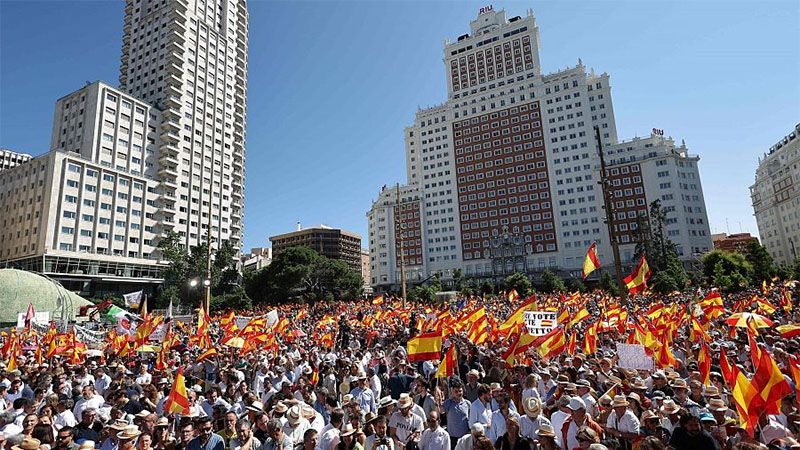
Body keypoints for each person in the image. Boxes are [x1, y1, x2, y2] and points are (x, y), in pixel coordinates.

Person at [441, 384, 471, 449]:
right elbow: (441, 411)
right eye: (456, 391)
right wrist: (438, 401)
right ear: (452, 392)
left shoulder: (468, 403)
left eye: (460, 391)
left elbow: (470, 419)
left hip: (464, 437)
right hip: (452, 437)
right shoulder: (448, 402)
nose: (458, 393)